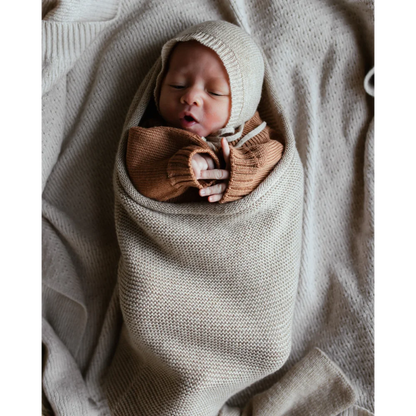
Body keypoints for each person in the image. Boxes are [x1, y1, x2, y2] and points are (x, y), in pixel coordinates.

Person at [126, 26, 284, 204]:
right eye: (178, 85)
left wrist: (240, 174)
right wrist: (181, 168)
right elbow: (140, 178)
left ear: (243, 103)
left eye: (215, 92)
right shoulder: (153, 132)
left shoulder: (252, 133)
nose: (191, 97)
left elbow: (278, 166)